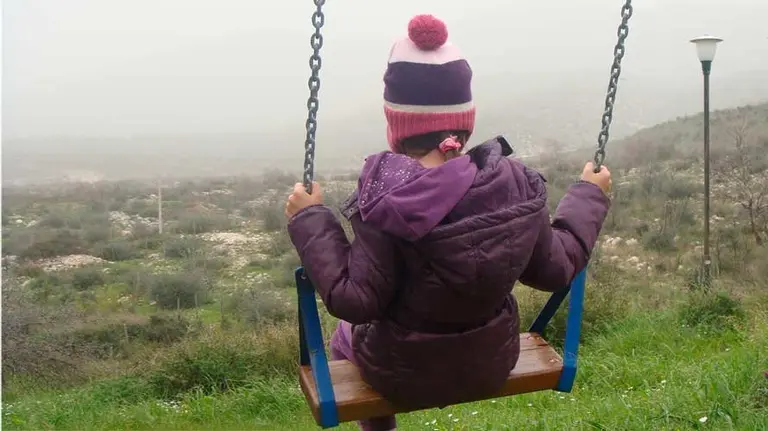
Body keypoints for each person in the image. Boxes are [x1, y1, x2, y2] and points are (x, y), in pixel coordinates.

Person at [285, 14, 611, 431]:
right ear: (465, 124)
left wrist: (311, 218)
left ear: (396, 127)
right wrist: (589, 194)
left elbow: (356, 300)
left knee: (345, 336)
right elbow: (558, 268)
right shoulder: (514, 185)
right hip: (491, 361)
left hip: (397, 372)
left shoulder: (388, 198)